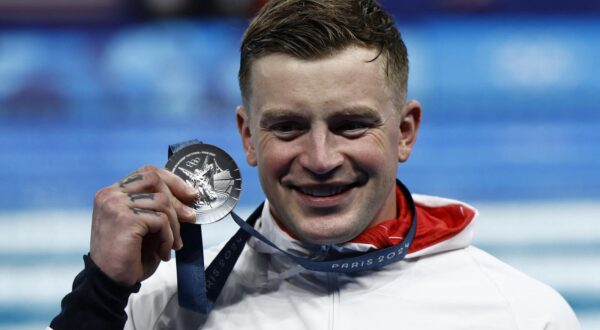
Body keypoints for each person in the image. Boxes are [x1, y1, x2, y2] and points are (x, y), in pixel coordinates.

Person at [49, 0, 581, 329]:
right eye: (288, 127)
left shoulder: (522, 315)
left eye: (351, 125)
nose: (321, 160)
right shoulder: (160, 314)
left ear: (404, 132)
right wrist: (101, 290)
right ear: (247, 137)